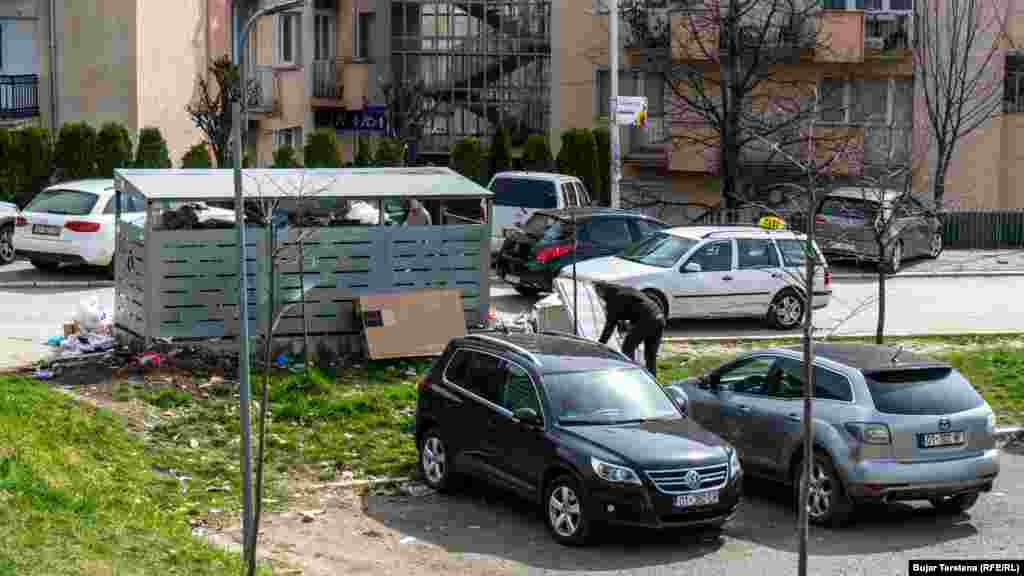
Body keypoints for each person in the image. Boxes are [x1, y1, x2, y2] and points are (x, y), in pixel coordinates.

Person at [597, 283, 666, 377]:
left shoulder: (614, 300)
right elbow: (638, 305)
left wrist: (600, 344)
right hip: (659, 317)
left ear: (602, 292)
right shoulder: (627, 290)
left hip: (647, 320)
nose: (599, 297)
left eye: (598, 294)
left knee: (627, 348)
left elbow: (609, 326)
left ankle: (632, 376)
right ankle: (653, 380)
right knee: (650, 355)